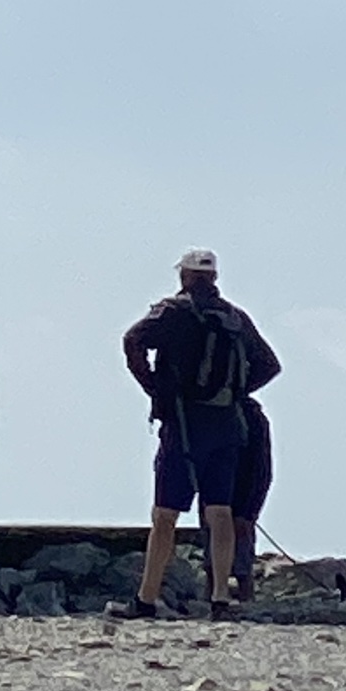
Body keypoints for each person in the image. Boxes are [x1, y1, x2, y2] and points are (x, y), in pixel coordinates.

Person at [120, 250, 280, 620]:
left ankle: (146, 598)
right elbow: (269, 365)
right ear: (215, 278)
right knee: (220, 511)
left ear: (184, 277)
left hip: (183, 424)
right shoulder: (235, 318)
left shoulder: (171, 312)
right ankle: (220, 598)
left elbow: (132, 340)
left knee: (165, 515)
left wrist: (154, 387)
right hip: (226, 425)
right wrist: (234, 392)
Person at [230, 390, 274, 600]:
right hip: (223, 485)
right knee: (215, 527)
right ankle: (214, 589)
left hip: (246, 487)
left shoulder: (253, 417)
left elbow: (261, 466)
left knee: (241, 532)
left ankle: (245, 590)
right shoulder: (219, 414)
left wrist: (252, 507)